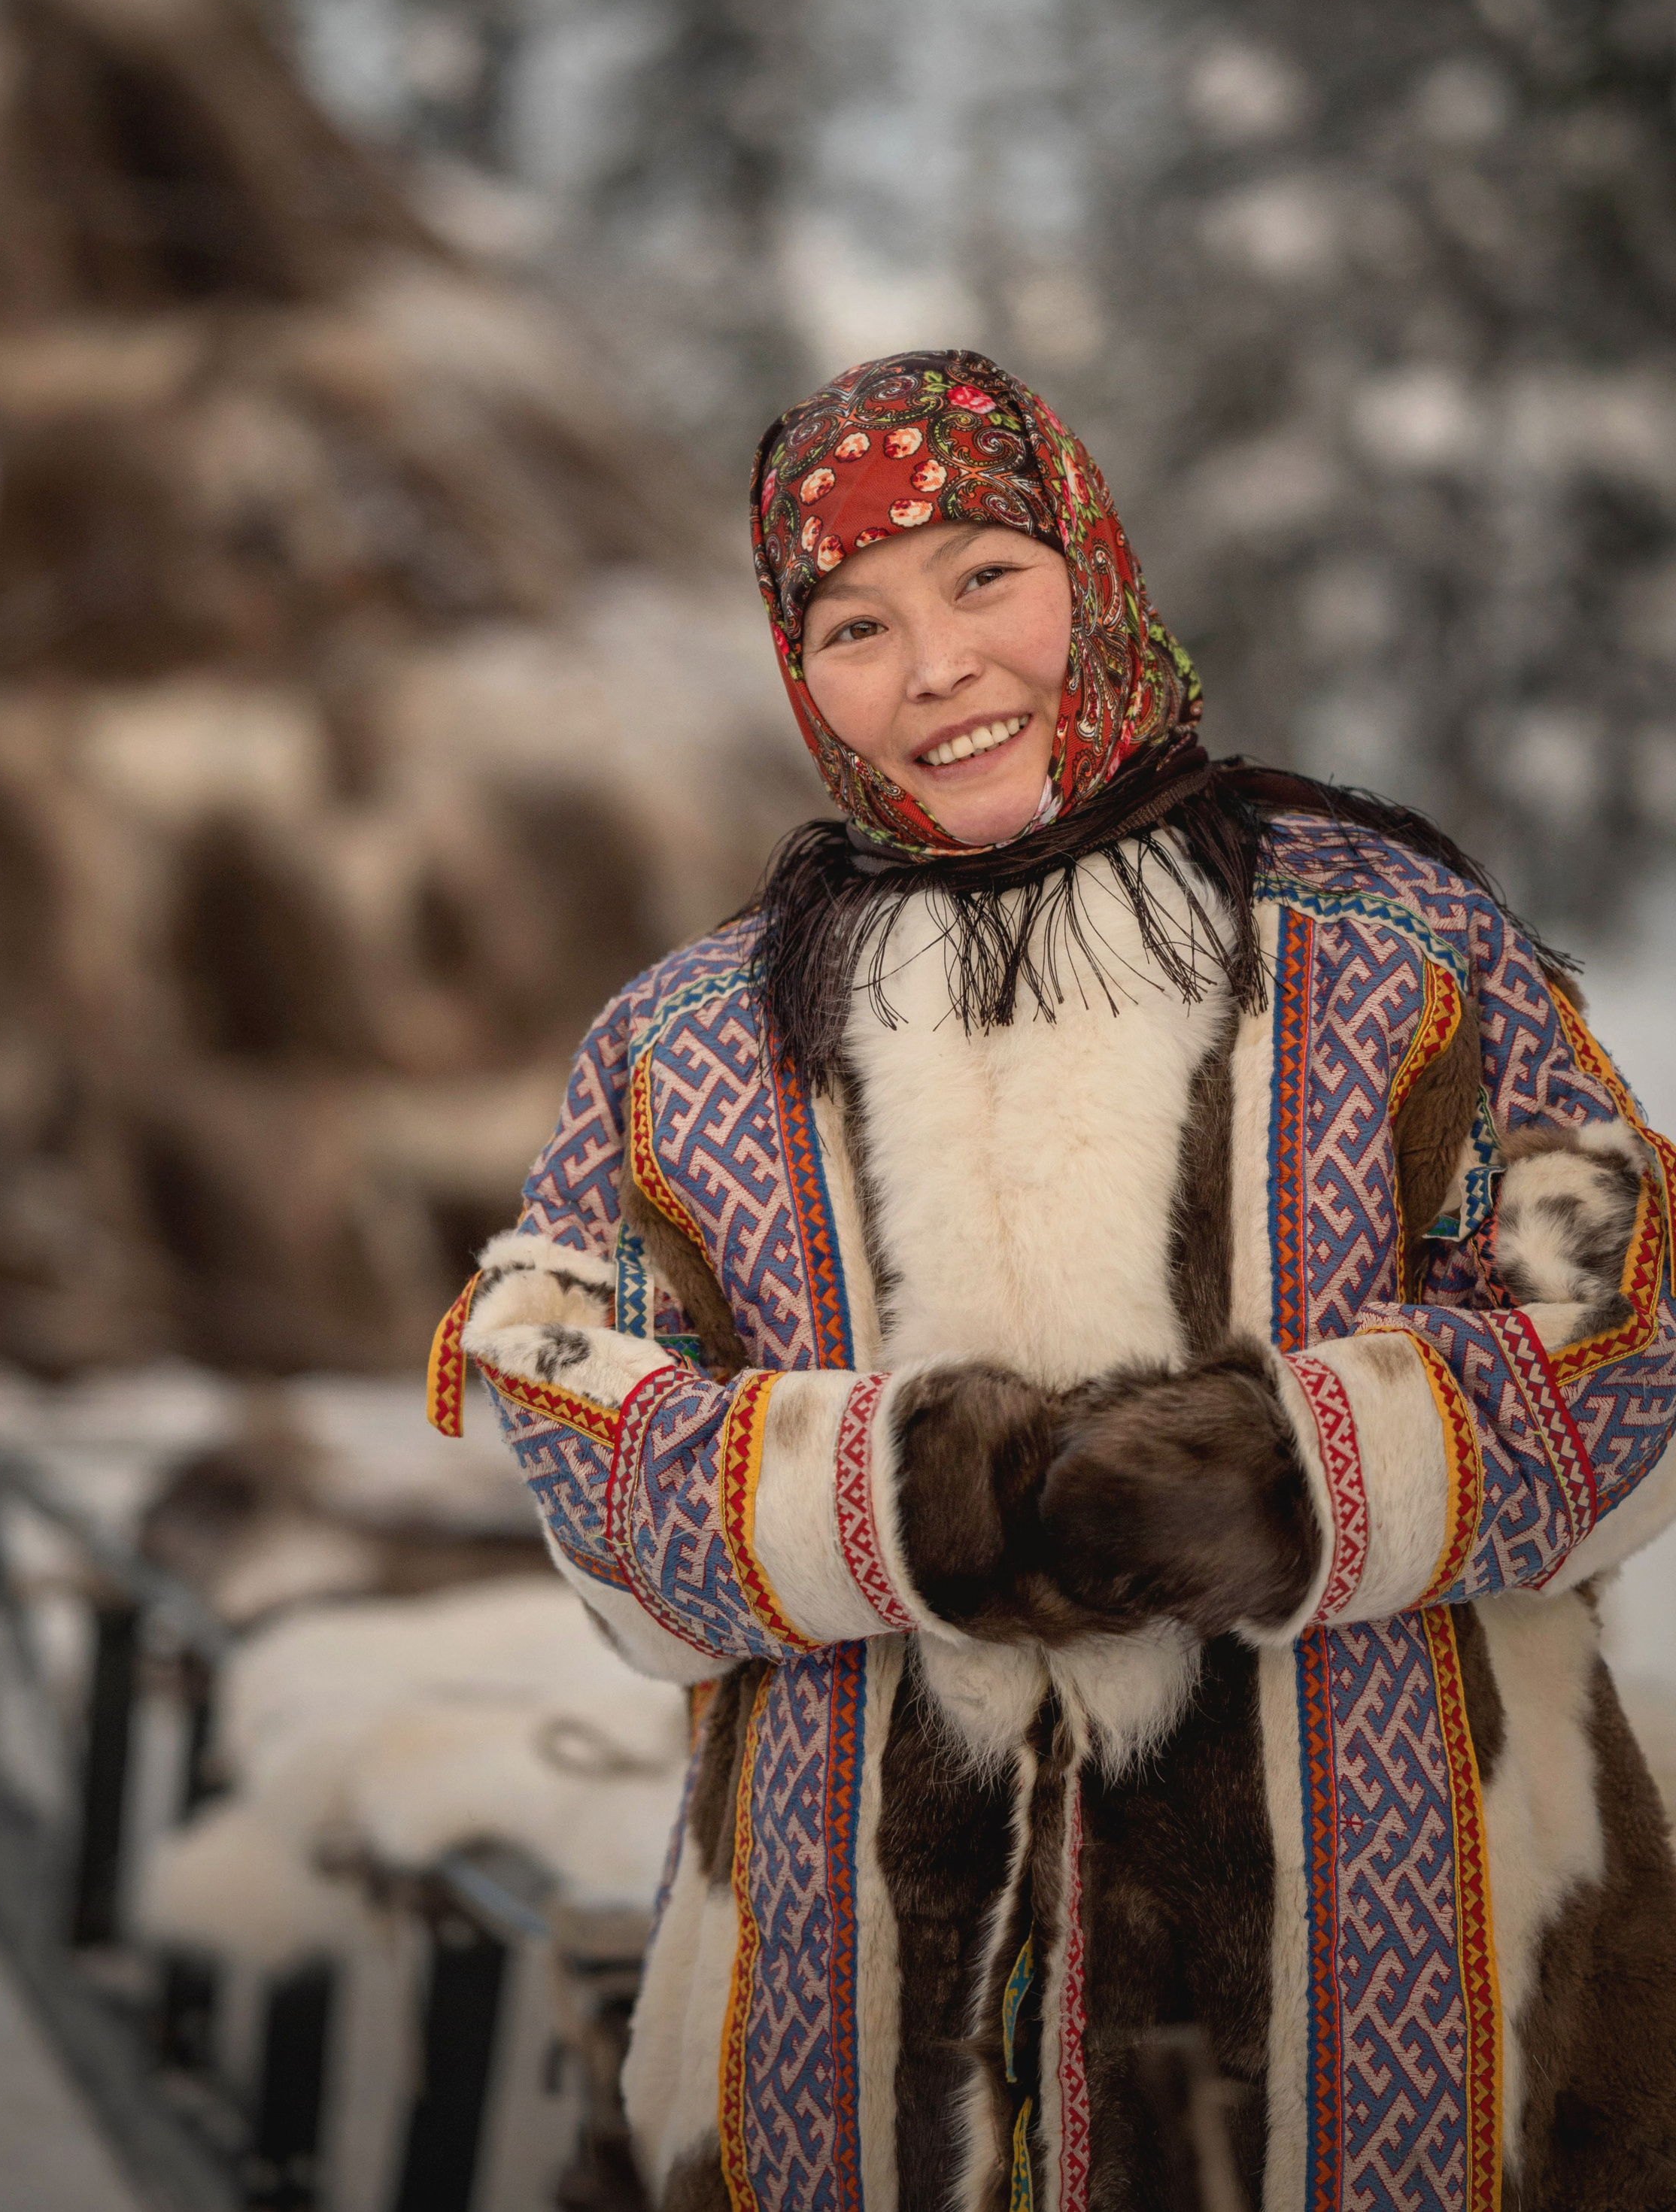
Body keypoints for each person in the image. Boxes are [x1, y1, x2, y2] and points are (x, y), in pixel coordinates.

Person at [427, 349, 1676, 2212]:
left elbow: (1621, 1334)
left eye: (982, 575)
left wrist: (1293, 1476)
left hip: (1407, 2008)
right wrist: (895, 1500)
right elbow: (563, 1402)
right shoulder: (688, 1034)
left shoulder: (1387, 941)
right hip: (848, 2049)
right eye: (852, 621)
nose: (934, 667)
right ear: (798, 667)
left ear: (1087, 565)